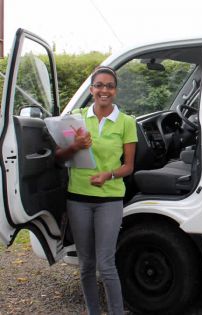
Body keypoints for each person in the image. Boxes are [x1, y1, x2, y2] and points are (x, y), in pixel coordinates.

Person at [56, 66, 137, 315]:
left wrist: (108, 174)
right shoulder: (75, 118)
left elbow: (129, 167)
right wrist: (75, 146)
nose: (104, 90)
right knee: (86, 264)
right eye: (99, 85)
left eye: (109, 86)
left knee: (106, 263)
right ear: (91, 90)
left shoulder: (126, 122)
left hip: (109, 199)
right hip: (78, 198)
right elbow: (59, 158)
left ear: (115, 90)